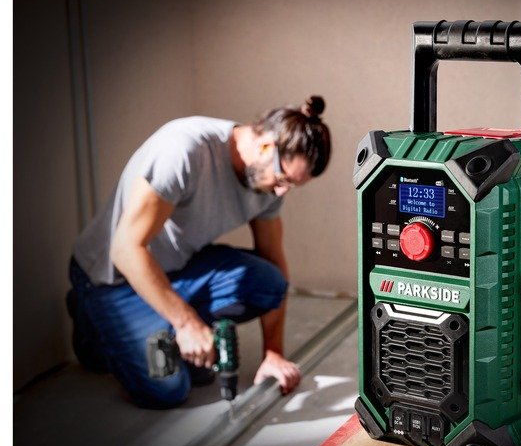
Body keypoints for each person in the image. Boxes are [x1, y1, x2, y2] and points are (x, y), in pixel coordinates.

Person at [66, 96, 332, 408]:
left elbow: (274, 262)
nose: (282, 191)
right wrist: (186, 324)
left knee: (269, 283)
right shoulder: (184, 151)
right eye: (283, 178)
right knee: (168, 390)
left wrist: (273, 354)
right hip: (112, 279)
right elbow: (125, 250)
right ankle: (92, 328)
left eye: (291, 185)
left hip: (177, 269)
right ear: (265, 146)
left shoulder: (267, 181)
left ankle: (166, 322)